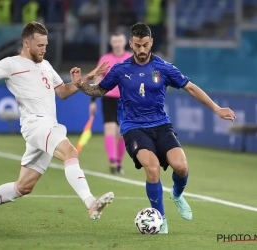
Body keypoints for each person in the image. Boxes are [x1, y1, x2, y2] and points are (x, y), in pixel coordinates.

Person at [74, 22, 236, 234]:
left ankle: (177, 195)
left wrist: (216, 108)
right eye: (137, 45)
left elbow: (191, 88)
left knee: (182, 166)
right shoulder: (120, 70)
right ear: (131, 43)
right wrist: (81, 85)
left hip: (161, 125)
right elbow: (98, 91)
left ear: (151, 42)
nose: (141, 50)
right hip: (134, 128)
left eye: (145, 45)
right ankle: (161, 218)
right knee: (152, 168)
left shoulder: (165, 68)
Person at [0, 21, 114, 228]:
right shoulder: (11, 63)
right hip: (35, 124)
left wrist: (81, 81)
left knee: (23, 187)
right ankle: (90, 202)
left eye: (45, 45)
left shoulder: (46, 65)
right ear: (26, 43)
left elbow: (62, 92)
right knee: (71, 153)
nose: (44, 49)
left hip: (46, 126)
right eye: (40, 46)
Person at [89, 32, 132, 174]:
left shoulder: (131, 59)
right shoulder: (105, 59)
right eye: (115, 41)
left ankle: (119, 163)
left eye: (120, 41)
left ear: (125, 42)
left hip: (126, 100)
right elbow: (98, 80)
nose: (118, 44)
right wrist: (93, 100)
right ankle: (112, 161)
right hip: (108, 99)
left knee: (121, 133)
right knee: (109, 129)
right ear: (111, 43)